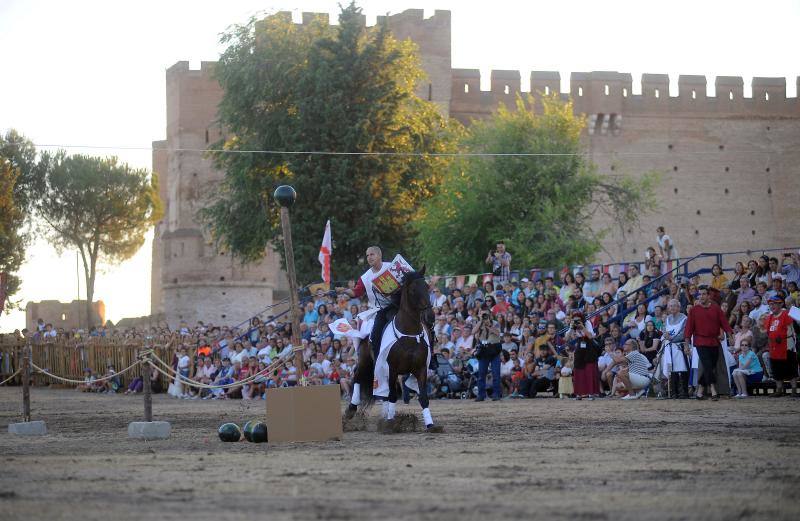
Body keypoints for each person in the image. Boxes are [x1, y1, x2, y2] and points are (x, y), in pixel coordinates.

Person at [337, 246, 396, 360]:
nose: (369, 257)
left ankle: (431, 356)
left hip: (400, 305)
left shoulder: (391, 267)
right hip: (381, 310)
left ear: (379, 255)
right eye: (367, 255)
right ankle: (378, 363)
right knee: (374, 337)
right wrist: (344, 290)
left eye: (372, 254)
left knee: (425, 321)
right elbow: (356, 292)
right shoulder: (365, 277)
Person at [685, 286, 734, 400]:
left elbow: (724, 323)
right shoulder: (694, 310)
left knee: (710, 367)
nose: (701, 296)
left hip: (714, 341)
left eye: (703, 294)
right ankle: (713, 390)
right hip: (700, 341)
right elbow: (688, 329)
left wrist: (730, 336)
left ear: (708, 295)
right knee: (707, 365)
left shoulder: (716, 308)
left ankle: (700, 391)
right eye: (699, 294)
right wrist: (686, 344)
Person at [764, 295, 798, 397]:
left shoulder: (786, 314)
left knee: (790, 368)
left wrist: (785, 338)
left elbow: (790, 329)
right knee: (776, 368)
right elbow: (768, 332)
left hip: (786, 345)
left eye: (774, 303)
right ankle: (779, 389)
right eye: (770, 304)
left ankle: (794, 390)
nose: (772, 306)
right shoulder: (769, 317)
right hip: (774, 347)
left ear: (781, 304)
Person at [474, 311, 502, 401]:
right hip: (484, 350)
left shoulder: (495, 323)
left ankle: (496, 394)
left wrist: (489, 325)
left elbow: (498, 333)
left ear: (490, 315)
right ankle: (481, 395)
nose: (485, 317)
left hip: (494, 349)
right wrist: (480, 321)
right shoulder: (479, 324)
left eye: (486, 315)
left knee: (496, 374)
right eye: (483, 315)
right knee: (481, 374)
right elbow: (473, 332)